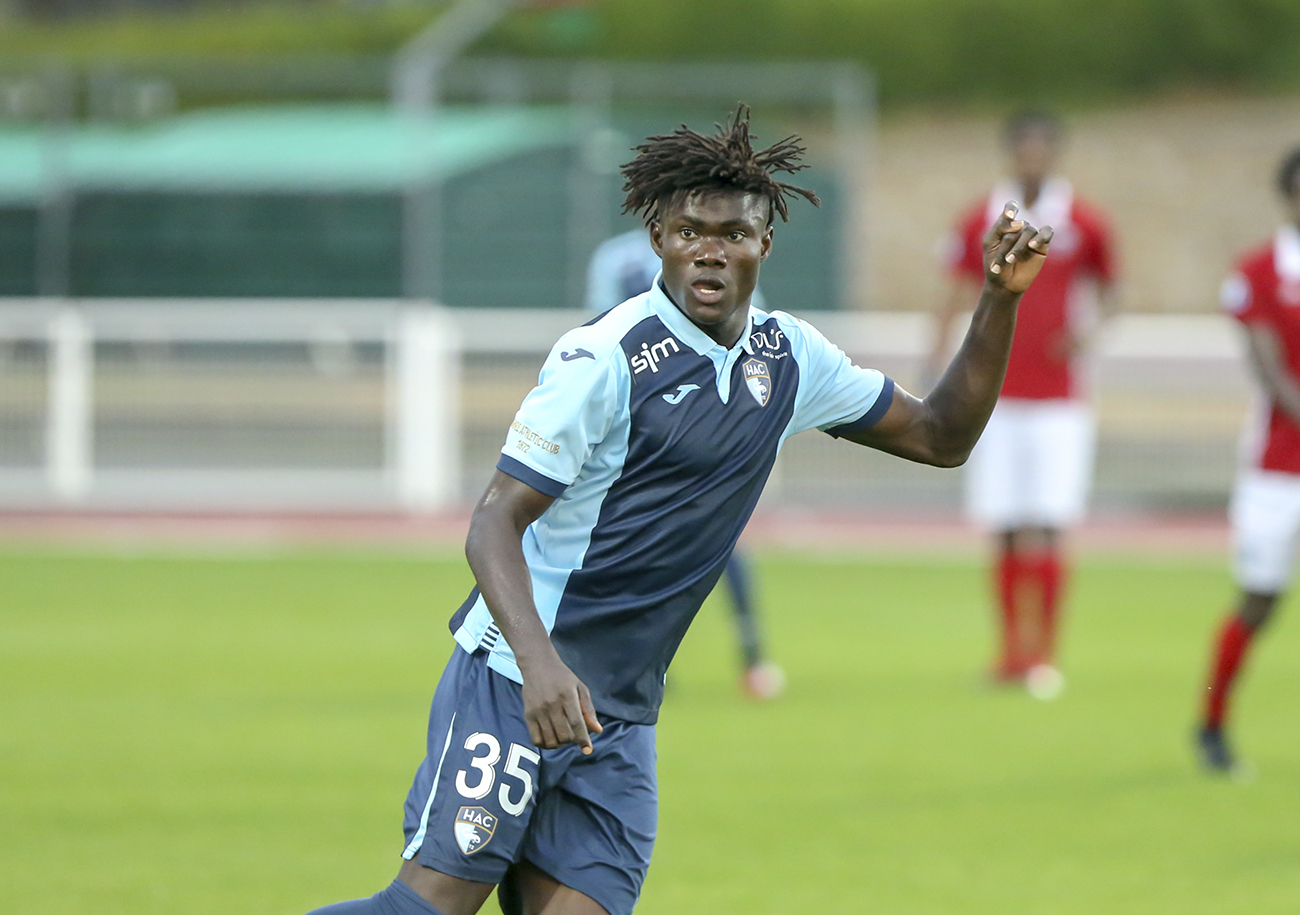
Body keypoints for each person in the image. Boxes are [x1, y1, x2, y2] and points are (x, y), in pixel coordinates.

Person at [305, 106, 1054, 915]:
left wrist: (998, 299)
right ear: (658, 237)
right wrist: (541, 668)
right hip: (517, 679)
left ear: (764, 245)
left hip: (619, 714)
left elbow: (942, 436)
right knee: (427, 908)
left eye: (733, 233)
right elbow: (493, 521)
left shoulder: (789, 356)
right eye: (691, 230)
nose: (710, 249)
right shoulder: (605, 357)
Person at [928, 110, 1117, 697]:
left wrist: (1086, 336)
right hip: (995, 396)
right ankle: (1011, 651)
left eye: (1042, 149)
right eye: (1024, 149)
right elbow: (957, 291)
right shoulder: (983, 219)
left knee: (1051, 520)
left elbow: (1111, 291)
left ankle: (1046, 651)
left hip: (1059, 397)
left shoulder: (1083, 221)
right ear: (1011, 153)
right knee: (1005, 522)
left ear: (1054, 153)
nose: (1032, 159)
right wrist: (935, 358)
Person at [585, 227, 785, 700]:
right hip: (662, 428)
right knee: (692, 541)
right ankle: (740, 659)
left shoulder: (617, 256)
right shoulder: (618, 257)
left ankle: (743, 656)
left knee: (706, 540)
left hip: (683, 424)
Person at [1196, 147, 1300, 775]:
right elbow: (1271, 372)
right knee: (1259, 599)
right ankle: (1212, 723)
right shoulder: (1261, 270)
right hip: (1277, 466)